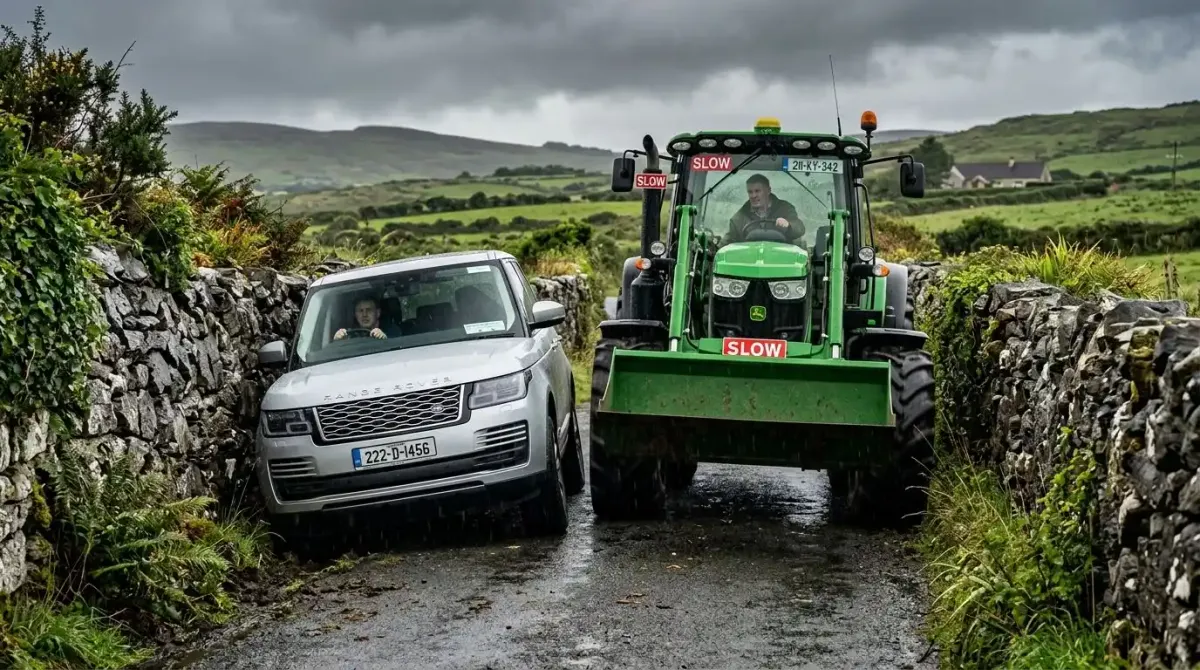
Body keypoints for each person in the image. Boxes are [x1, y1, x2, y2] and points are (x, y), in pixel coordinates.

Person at [723, 173, 805, 244]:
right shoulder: (739, 219)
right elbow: (727, 244)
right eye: (750, 192)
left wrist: (788, 225)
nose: (753, 196)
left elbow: (799, 228)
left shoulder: (785, 209)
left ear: (768, 190)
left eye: (757, 191)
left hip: (781, 259)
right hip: (750, 260)